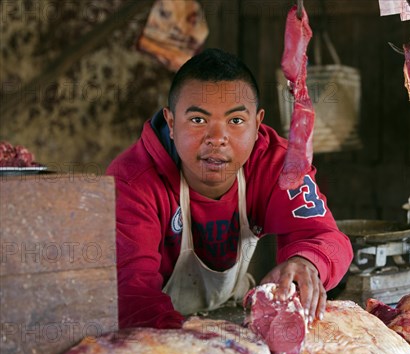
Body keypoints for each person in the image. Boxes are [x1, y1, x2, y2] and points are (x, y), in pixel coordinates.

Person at [106, 48, 352, 329]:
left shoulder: (279, 166)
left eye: (235, 121)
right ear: (172, 124)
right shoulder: (132, 180)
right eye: (198, 120)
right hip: (155, 329)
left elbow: (326, 237)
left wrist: (307, 262)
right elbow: (132, 294)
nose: (217, 139)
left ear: (257, 124)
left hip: (231, 312)